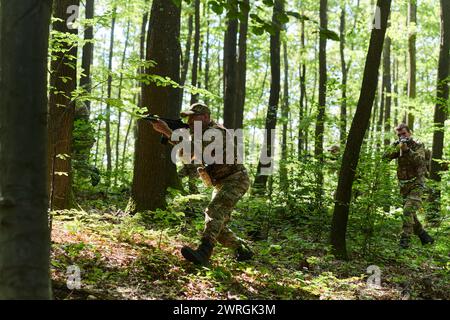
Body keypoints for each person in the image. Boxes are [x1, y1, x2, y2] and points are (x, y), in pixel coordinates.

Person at [151, 102, 253, 265]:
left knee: (213, 211)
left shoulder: (215, 132)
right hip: (221, 182)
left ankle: (204, 253)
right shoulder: (199, 133)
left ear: (206, 117)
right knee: (216, 225)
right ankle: (242, 249)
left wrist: (167, 131)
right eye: (188, 118)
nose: (190, 121)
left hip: (235, 179)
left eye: (194, 117)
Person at [384, 123, 435, 249]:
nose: (402, 136)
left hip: (418, 183)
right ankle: (424, 235)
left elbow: (420, 161)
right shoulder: (398, 145)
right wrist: (395, 148)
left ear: (409, 133)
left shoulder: (418, 145)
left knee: (408, 210)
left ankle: (404, 241)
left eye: (404, 134)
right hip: (404, 185)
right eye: (399, 134)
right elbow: (384, 158)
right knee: (411, 214)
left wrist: (407, 150)